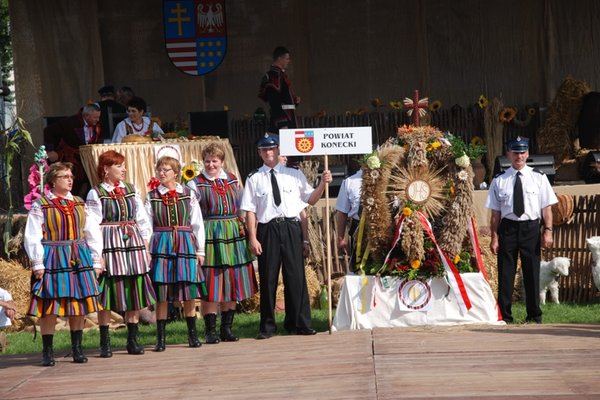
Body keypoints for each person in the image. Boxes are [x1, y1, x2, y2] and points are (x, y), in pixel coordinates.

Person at [240, 134, 332, 339]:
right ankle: (267, 327)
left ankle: (299, 323)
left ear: (278, 150)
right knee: (268, 277)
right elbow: (250, 211)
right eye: (264, 150)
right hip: (268, 230)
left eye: (271, 149)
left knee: (296, 277)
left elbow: (311, 200)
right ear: (259, 153)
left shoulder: (293, 174)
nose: (268, 153)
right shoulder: (254, 177)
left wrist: (323, 184)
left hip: (291, 227)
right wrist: (253, 238)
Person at [24, 162, 102, 366]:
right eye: (64, 176)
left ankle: (77, 348)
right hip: (53, 256)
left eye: (71, 176)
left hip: (78, 255)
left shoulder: (79, 203)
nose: (70, 179)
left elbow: (92, 232)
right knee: (50, 305)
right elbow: (32, 235)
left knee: (78, 304)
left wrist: (96, 259)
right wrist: (37, 263)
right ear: (52, 181)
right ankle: (47, 351)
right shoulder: (41, 204)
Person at [86, 150, 156, 357]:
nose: (124, 169)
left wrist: (145, 245)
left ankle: (132, 340)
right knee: (108, 294)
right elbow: (92, 226)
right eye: (119, 166)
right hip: (110, 243)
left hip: (132, 243)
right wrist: (97, 255)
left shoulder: (131, 189)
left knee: (134, 290)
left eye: (124, 165)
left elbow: (142, 218)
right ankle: (105, 342)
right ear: (106, 169)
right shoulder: (96, 193)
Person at [187, 143, 258, 344]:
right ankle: (210, 331)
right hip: (210, 232)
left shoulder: (233, 180)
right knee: (212, 280)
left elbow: (244, 206)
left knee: (232, 280)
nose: (210, 165)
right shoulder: (195, 184)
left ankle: (227, 329)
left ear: (222, 162)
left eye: (214, 161)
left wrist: (246, 229)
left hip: (233, 231)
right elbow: (192, 214)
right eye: (207, 161)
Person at [485, 137, 558, 324]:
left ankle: (534, 315)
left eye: (523, 152)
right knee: (505, 273)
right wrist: (494, 237)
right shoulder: (499, 181)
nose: (519, 156)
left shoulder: (539, 177)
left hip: (531, 228)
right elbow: (495, 214)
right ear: (509, 154)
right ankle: (505, 316)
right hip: (508, 228)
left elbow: (547, 209)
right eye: (516, 152)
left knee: (532, 272)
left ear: (527, 154)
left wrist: (547, 231)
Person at [146, 155, 207, 351]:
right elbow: (146, 226)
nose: (162, 173)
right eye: (159, 170)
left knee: (188, 290)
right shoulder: (152, 196)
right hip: (162, 244)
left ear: (176, 173)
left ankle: (192, 335)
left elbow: (197, 224)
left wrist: (200, 250)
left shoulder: (188, 194)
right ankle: (161, 339)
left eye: (166, 170)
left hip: (185, 242)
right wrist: (147, 250)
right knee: (163, 291)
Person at [44, 103, 103, 196]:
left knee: (92, 178)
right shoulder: (70, 122)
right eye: (95, 117)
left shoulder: (97, 125)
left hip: (88, 158)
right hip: (71, 157)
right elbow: (49, 131)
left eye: (98, 117)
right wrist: (51, 150)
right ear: (86, 116)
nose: (97, 120)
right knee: (74, 179)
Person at [258, 46, 300, 133]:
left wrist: (294, 101)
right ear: (280, 59)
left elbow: (284, 100)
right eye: (287, 58)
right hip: (282, 122)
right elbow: (274, 102)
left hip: (289, 119)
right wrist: (282, 124)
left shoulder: (281, 75)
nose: (289, 61)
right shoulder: (273, 76)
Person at [335, 168, 363, 272]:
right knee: (359, 267)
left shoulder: (389, 180)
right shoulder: (350, 182)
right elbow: (342, 212)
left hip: (383, 228)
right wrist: (341, 238)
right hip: (358, 229)